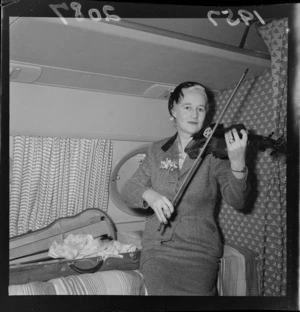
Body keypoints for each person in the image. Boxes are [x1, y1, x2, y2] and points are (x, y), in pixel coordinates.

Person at [121, 81, 250, 296]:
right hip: (158, 248)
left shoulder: (214, 152)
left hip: (199, 250)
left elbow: (238, 200)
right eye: (187, 107)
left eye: (200, 108)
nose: (194, 114)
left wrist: (238, 164)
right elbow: (128, 189)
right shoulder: (157, 150)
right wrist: (149, 194)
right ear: (173, 110)